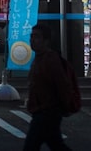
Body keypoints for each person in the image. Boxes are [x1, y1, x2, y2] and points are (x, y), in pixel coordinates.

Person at [23, 23, 74, 151]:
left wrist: (66, 105)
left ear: (46, 41)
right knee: (56, 144)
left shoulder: (50, 59)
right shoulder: (39, 59)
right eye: (31, 37)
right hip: (44, 111)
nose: (32, 40)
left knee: (32, 146)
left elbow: (62, 84)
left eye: (37, 37)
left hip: (46, 111)